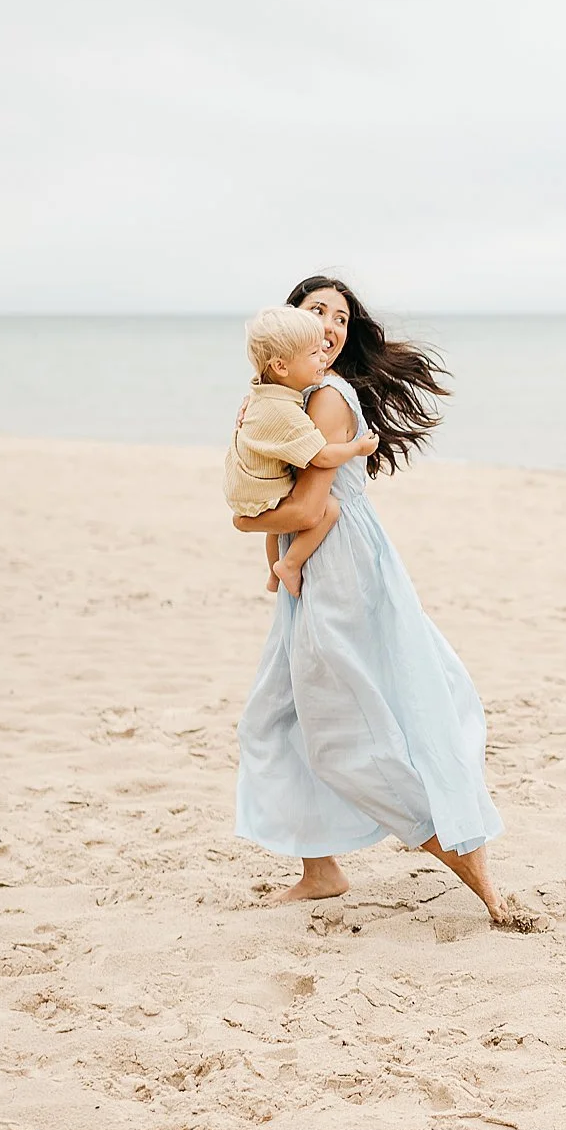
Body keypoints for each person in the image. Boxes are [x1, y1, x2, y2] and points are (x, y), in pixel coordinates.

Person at [230, 275, 530, 928]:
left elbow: (312, 506)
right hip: (312, 571)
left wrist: (246, 524)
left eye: (340, 316)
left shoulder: (329, 399)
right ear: (290, 330)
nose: (331, 326)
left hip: (338, 574)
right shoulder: (290, 399)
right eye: (317, 312)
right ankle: (321, 869)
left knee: (349, 733)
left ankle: (479, 877)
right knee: (274, 717)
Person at [225, 305, 379, 597]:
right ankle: (289, 565)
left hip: (247, 488)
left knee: (276, 528)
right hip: (261, 495)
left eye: (340, 318)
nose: (323, 348)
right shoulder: (290, 411)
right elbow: (321, 457)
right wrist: (358, 447)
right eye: (317, 312)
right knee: (330, 508)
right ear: (281, 366)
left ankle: (274, 573)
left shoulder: (266, 390)